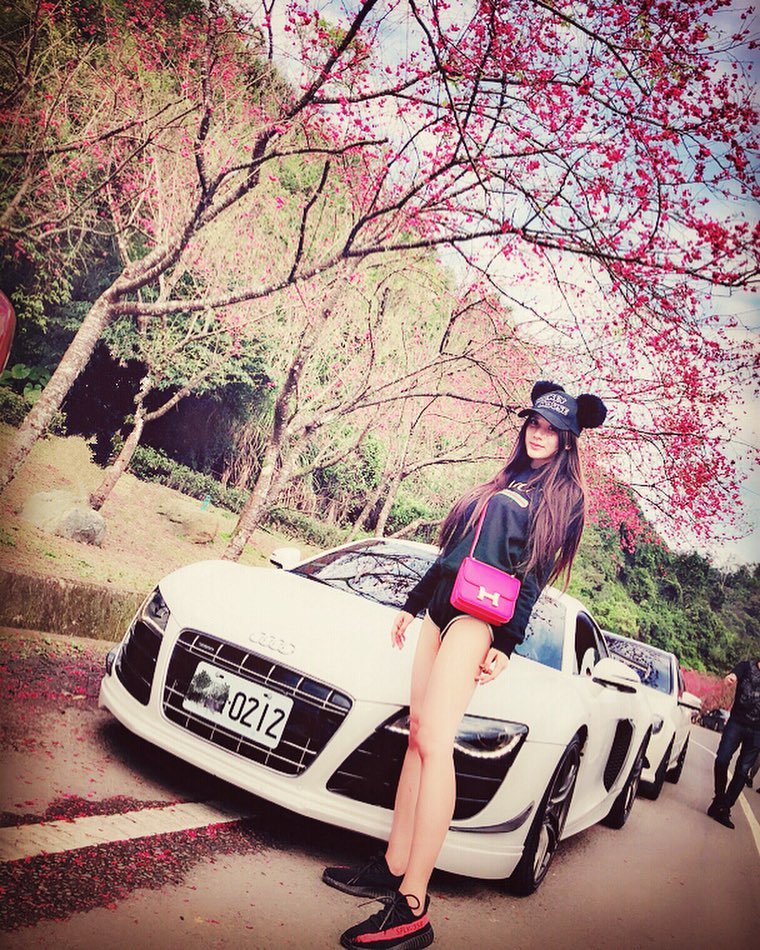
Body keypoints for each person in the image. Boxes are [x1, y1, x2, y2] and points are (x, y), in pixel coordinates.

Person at [323, 380, 607, 950]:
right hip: (439, 608)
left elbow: (534, 573)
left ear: (568, 439)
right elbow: (452, 553)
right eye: (534, 423)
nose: (539, 433)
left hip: (479, 619)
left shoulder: (563, 497)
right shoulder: (506, 480)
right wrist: (412, 603)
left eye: (551, 429)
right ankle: (393, 864)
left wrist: (508, 640)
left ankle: (413, 905)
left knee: (436, 742)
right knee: (416, 736)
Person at [707, 657, 760, 829]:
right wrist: (730, 678)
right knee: (722, 759)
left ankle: (724, 807)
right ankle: (719, 797)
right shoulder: (746, 667)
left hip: (757, 732)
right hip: (737, 723)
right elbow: (734, 675)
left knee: (743, 771)